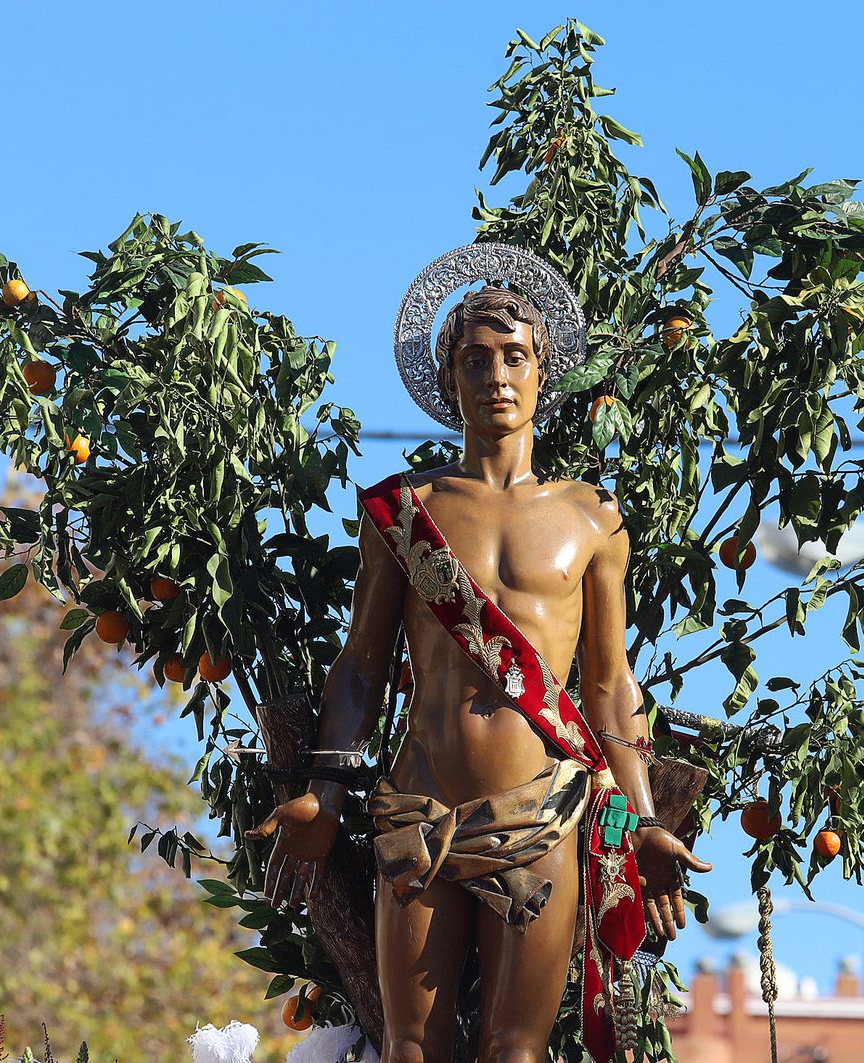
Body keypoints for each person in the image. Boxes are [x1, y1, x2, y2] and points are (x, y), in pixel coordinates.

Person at [247, 283, 709, 1063]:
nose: (496, 374)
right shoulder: (404, 510)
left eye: (514, 356)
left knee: (514, 1052)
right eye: (475, 358)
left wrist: (640, 823)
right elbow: (361, 666)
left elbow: (608, 684)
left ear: (544, 369)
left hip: (539, 815)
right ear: (448, 376)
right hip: (418, 810)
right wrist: (324, 794)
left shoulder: (593, 517)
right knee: (410, 1048)